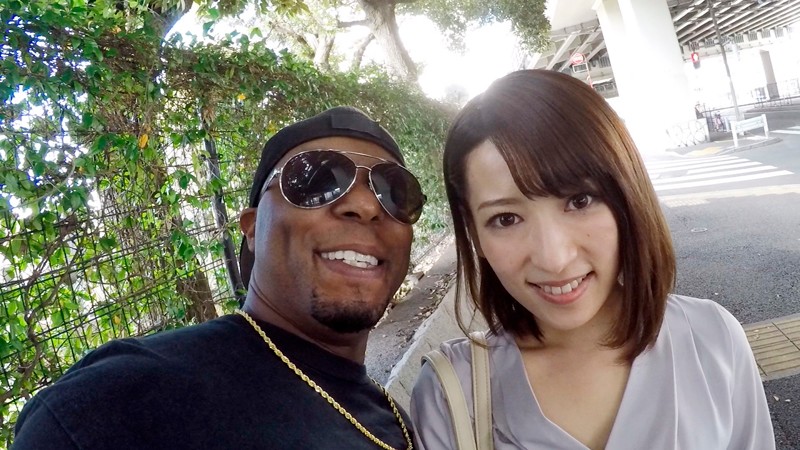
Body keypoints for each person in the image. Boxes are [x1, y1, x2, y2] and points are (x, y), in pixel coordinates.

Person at [13, 106, 425, 449]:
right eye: (314, 181)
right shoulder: (121, 404)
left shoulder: (391, 415)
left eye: (395, 192)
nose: (365, 205)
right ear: (252, 228)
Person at [410, 70, 775, 450]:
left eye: (579, 201)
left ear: (626, 197)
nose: (554, 259)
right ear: (474, 234)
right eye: (506, 219)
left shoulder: (712, 340)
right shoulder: (449, 397)